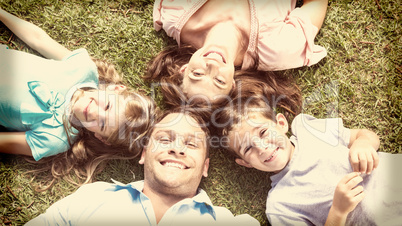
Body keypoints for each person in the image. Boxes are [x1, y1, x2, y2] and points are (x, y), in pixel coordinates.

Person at [0, 8, 157, 186]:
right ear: (116, 89)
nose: (95, 113)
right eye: (107, 106)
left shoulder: (55, 139)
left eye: (103, 124)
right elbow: (38, 39)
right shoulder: (82, 70)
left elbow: (4, 141)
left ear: (100, 137)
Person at [25, 108, 260, 225]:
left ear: (205, 166)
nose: (177, 150)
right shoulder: (92, 197)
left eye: (191, 144)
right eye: (165, 139)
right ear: (144, 154)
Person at [215, 88, 402, 225]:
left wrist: (363, 144)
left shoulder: (307, 129)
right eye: (247, 148)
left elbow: (366, 135)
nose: (262, 148)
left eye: (263, 132)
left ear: (281, 123)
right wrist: (338, 210)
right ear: (245, 163)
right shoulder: (280, 205)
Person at [145, 0, 328, 106]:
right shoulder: (278, 48)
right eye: (219, 81)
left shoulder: (176, 15)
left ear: (184, 69)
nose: (212, 66)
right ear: (232, 85)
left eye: (198, 74)